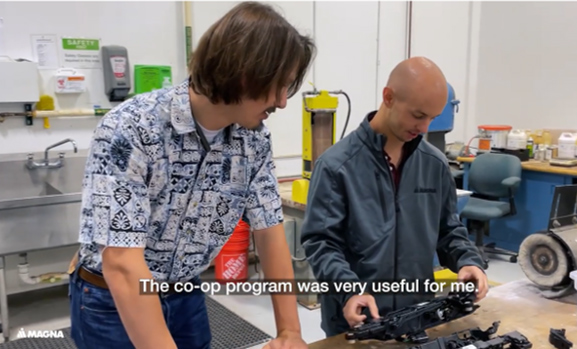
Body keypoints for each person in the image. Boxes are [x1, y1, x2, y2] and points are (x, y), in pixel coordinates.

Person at [68, 2, 315, 349]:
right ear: (245, 73)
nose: (282, 102)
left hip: (185, 294)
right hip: (112, 300)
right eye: (279, 86)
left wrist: (290, 331)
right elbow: (122, 263)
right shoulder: (132, 128)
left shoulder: (252, 140)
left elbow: (270, 228)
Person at [299, 56, 488, 337]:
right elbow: (321, 242)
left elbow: (448, 230)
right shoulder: (337, 166)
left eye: (432, 118)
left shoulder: (434, 165)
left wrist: (468, 260)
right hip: (357, 323)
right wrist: (349, 291)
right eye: (418, 115)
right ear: (388, 97)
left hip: (418, 316)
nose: (424, 128)